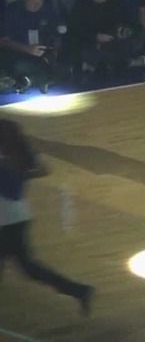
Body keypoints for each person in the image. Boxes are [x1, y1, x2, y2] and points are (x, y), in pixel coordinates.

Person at [0, 119, 94, 315]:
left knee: (28, 267)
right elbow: (43, 170)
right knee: (27, 267)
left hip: (8, 222)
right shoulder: (20, 154)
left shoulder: (6, 161)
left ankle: (79, 290)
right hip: (16, 218)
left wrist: (20, 174)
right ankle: (78, 290)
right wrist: (25, 174)